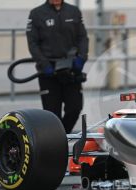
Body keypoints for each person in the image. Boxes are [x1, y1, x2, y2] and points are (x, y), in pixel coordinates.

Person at [26, 0, 89, 133]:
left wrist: (81, 59)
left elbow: (82, 37)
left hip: (71, 70)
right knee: (52, 114)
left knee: (75, 108)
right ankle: (57, 141)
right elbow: (33, 43)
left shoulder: (74, 11)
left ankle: (61, 137)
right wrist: (45, 65)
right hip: (49, 73)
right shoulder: (36, 14)